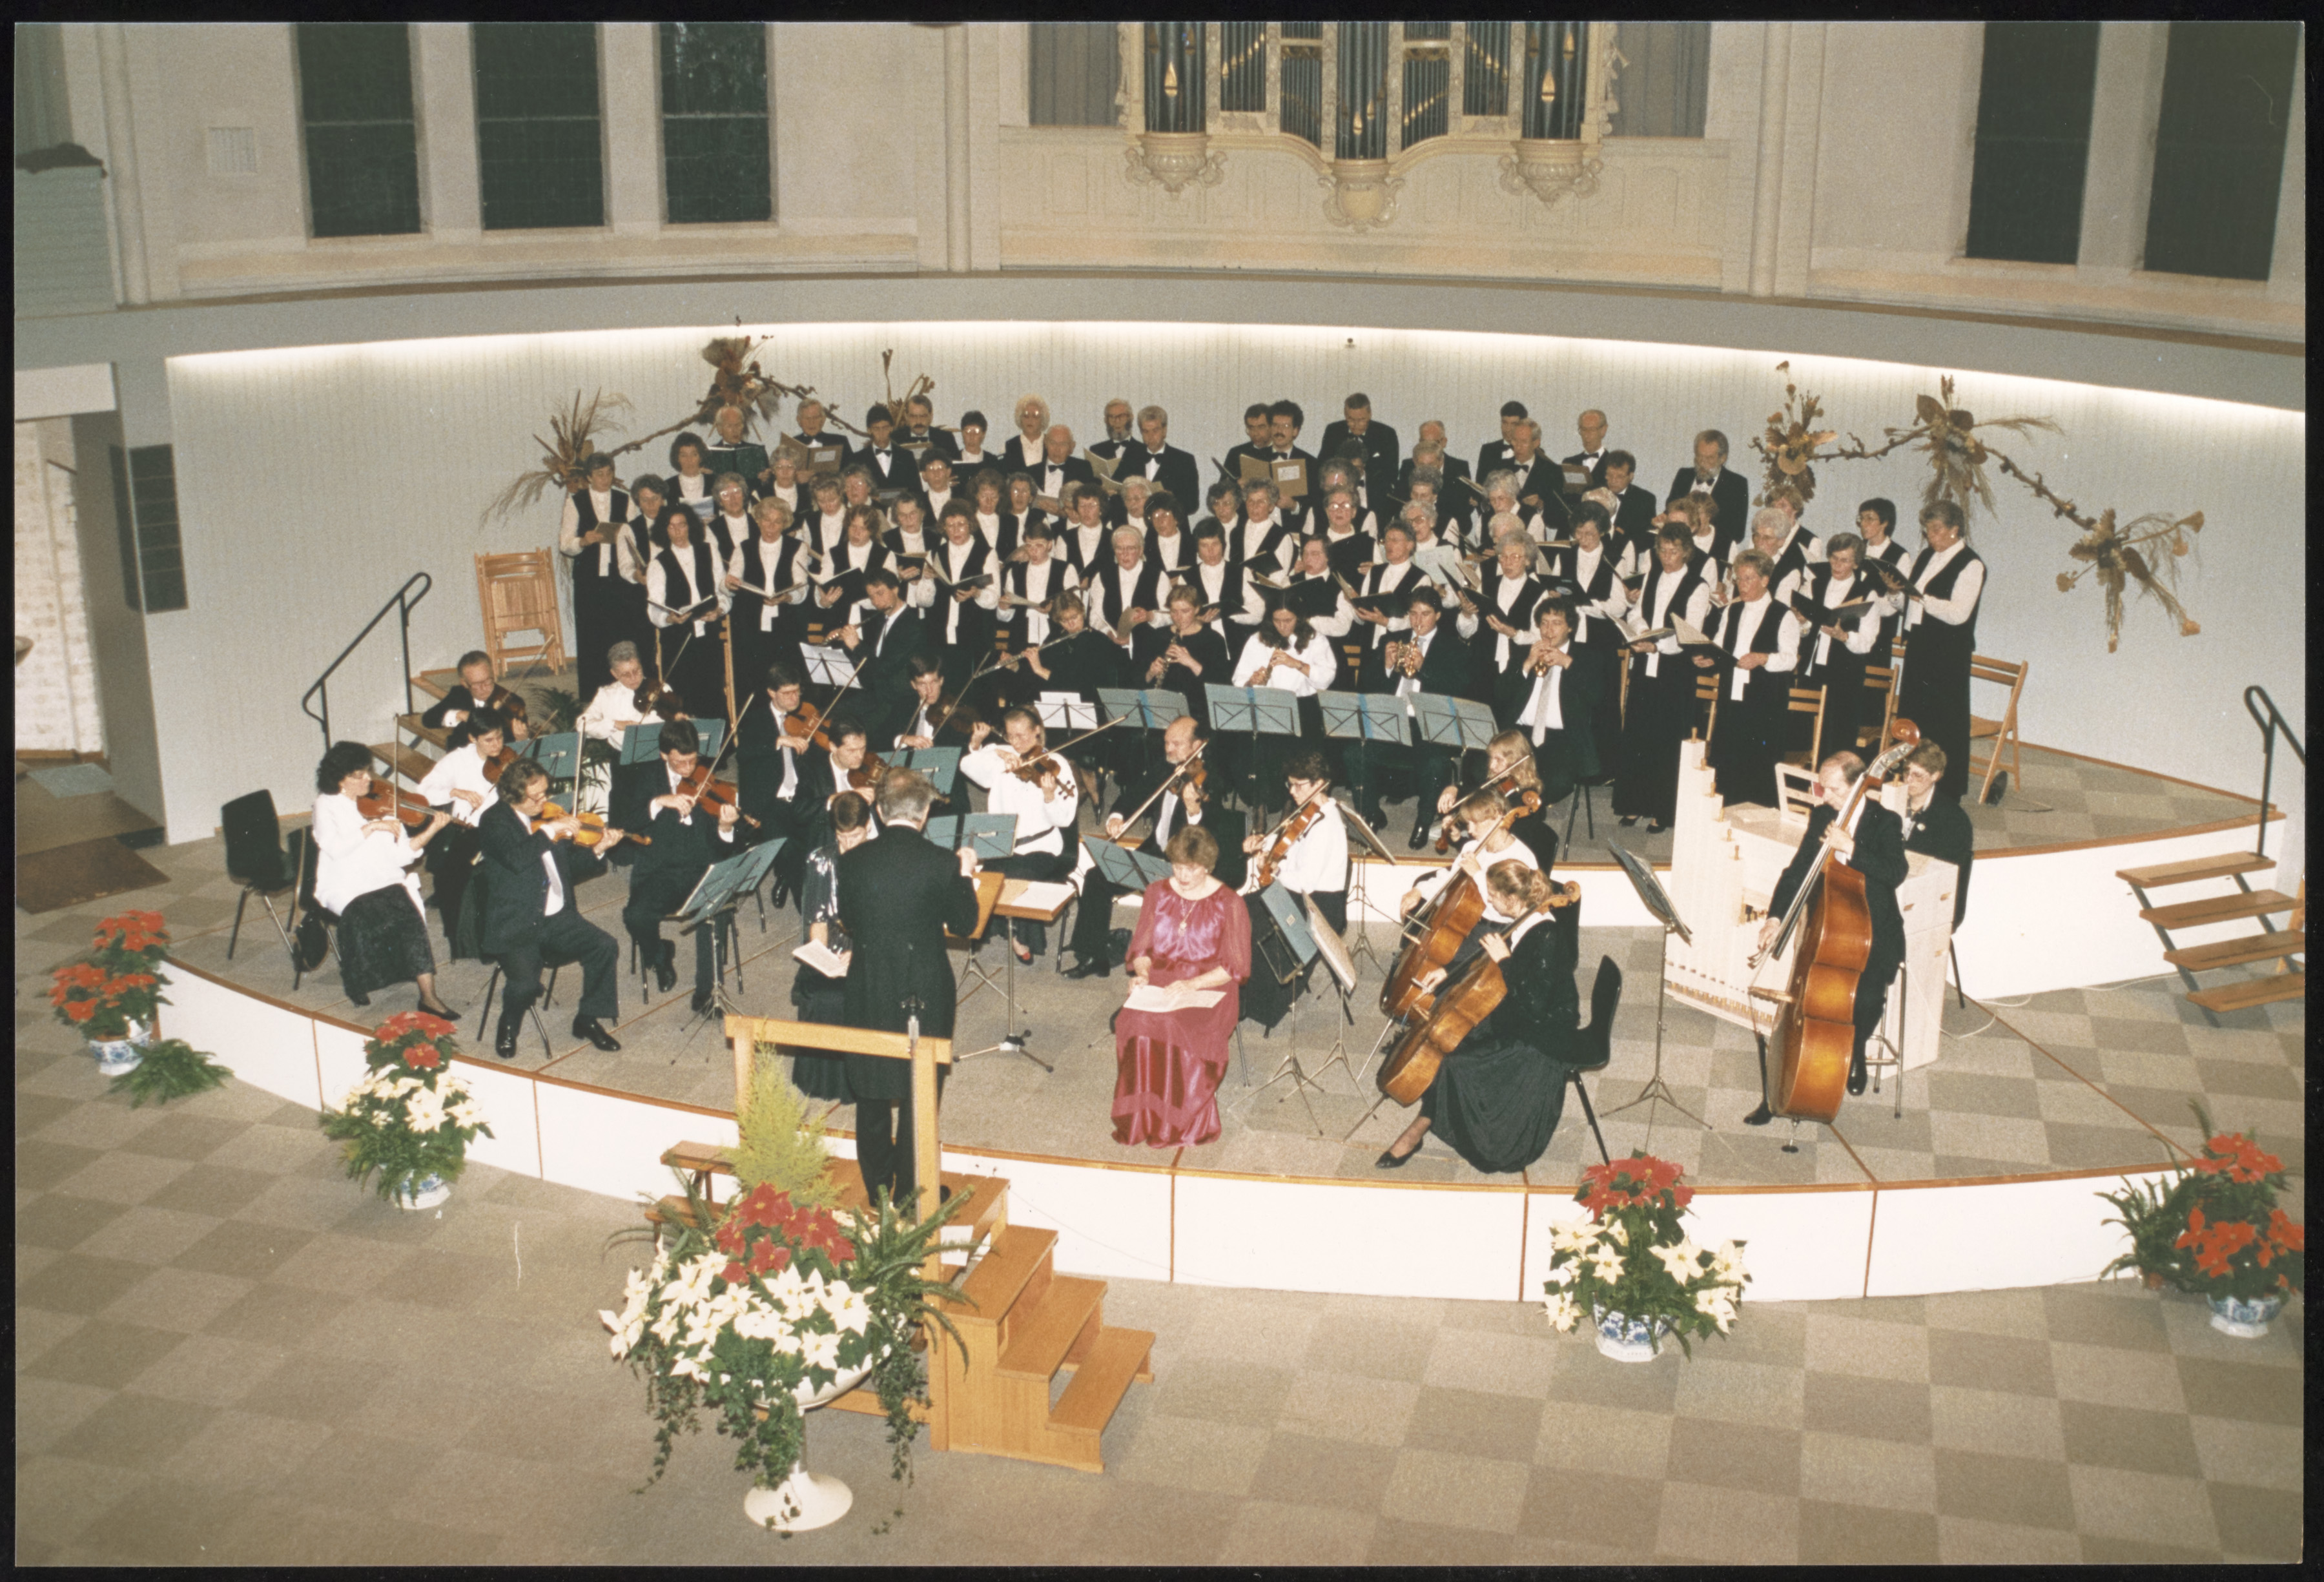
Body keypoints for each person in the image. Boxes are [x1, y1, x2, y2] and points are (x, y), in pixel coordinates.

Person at [1376, 862, 1583, 1173]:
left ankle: (1426, 1123)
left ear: (1511, 898)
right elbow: (1484, 959)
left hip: (1541, 1036)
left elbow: (1535, 1004)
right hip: (1518, 1009)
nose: (1489, 901)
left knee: (1456, 1059)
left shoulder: (1546, 935)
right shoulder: (1522, 918)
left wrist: (1505, 961)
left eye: (1493, 896)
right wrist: (1448, 972)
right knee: (1450, 1035)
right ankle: (1429, 1116)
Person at [838, 768, 983, 1207]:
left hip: (869, 983)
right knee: (920, 1091)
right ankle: (911, 1192)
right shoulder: (941, 863)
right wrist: (964, 874)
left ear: (880, 813)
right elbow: (965, 924)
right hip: (924, 988)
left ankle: (879, 1190)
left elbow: (850, 920)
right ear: (924, 814)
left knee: (871, 1090)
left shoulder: (852, 861)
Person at [1753, 750, 1908, 1111]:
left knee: (1866, 996)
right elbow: (1798, 871)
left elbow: (1895, 872)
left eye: (1835, 790)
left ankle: (1855, 1049)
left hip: (1875, 930)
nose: (1826, 797)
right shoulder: (1823, 815)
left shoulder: (1885, 822)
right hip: (1831, 924)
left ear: (1858, 787)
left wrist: (1850, 847)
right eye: (1823, 788)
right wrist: (1775, 918)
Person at [1067, 715, 1246, 976]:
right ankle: (1093, 955)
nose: (1168, 749)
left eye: (1176, 744)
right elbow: (1136, 792)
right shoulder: (1166, 767)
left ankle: (1161, 965)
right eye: (1166, 742)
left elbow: (1204, 841)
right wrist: (1117, 816)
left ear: (1197, 745)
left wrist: (1194, 811)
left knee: (1162, 900)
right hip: (1155, 852)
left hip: (1184, 864)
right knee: (1098, 876)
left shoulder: (1212, 780)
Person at [1110, 825, 1253, 1148]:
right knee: (1135, 1020)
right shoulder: (1157, 893)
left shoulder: (1229, 903)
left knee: (1175, 1025)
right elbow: (1142, 950)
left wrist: (1191, 984)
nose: (1183, 876)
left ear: (1207, 866)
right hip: (1161, 977)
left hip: (1210, 986)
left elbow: (1235, 968)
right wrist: (1143, 975)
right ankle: (1142, 1117)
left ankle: (1177, 1121)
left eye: (1191, 869)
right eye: (1177, 867)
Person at [477, 758, 627, 1058]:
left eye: (546, 793)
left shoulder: (546, 817)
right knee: (525, 984)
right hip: (517, 921)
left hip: (556, 917)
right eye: (537, 797)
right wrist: (548, 832)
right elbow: (517, 859)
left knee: (604, 946)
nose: (545, 801)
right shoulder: (494, 821)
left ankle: (587, 1019)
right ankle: (508, 1024)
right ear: (513, 795)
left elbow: (568, 868)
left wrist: (598, 849)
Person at [311, 742, 458, 1015]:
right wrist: (372, 827)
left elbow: (402, 855)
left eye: (368, 771)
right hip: (345, 884)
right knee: (369, 912)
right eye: (359, 775)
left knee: (409, 915)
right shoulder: (326, 805)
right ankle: (359, 979)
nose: (368, 778)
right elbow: (335, 848)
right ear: (340, 779)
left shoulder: (383, 802)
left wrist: (431, 831)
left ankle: (428, 997)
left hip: (383, 877)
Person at [608, 718, 743, 1016]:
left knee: (716, 912)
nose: (688, 768)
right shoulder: (644, 778)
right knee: (635, 916)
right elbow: (624, 825)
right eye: (680, 762)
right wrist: (658, 802)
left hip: (701, 868)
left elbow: (724, 847)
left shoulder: (706, 778)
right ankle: (659, 953)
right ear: (663, 755)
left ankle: (706, 994)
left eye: (693, 760)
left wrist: (725, 827)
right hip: (659, 872)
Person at [1350, 582, 1470, 845]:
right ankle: (1371, 814)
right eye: (1413, 613)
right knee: (1355, 752)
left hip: (1428, 724)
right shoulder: (1390, 640)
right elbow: (1366, 686)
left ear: (1438, 615)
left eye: (1425, 614)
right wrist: (1385, 666)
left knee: (1436, 762)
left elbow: (1458, 690)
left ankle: (1424, 820)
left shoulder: (1453, 647)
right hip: (1392, 719)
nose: (1418, 621)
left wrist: (1424, 668)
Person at [1614, 523, 1715, 832]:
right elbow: (1636, 613)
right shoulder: (1651, 576)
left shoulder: (1698, 586)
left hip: (1676, 671)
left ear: (1686, 553)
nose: (1667, 558)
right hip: (1646, 665)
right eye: (1663, 551)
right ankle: (1635, 803)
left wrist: (1657, 645)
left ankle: (1662, 810)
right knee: (1639, 735)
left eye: (1674, 552)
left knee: (1667, 742)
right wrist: (1642, 629)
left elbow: (1690, 631)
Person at [1239, 749, 1350, 1031]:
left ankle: (1258, 1003)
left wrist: (1275, 871)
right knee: (1238, 909)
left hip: (1319, 904)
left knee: (1250, 920)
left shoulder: (1327, 825)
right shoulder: (1309, 810)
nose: (1292, 791)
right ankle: (1241, 989)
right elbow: (1286, 838)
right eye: (1290, 784)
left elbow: (1306, 882)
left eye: (1299, 785)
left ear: (1320, 784)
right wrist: (1261, 842)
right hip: (1297, 892)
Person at [960, 706, 1082, 960]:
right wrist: (977, 744)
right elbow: (968, 767)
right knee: (985, 878)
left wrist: (1049, 796)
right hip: (1004, 842)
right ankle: (1006, 928)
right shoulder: (1001, 755)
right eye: (1011, 736)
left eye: (1022, 735)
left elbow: (1065, 818)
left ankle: (1018, 934)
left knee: (1016, 876)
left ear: (1037, 731)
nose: (1016, 742)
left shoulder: (1055, 764)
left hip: (1041, 846)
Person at [1890, 500, 1986, 801]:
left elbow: (1959, 614)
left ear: (1955, 529)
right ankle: (1910, 782)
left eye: (1936, 529)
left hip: (1947, 655)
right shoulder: (1926, 556)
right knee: (1914, 717)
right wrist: (1896, 592)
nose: (1930, 536)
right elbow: (1909, 606)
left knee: (1942, 721)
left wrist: (1922, 598)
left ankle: (1943, 791)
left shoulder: (1971, 564)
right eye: (1927, 530)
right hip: (1920, 648)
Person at [1698, 547, 1802, 809]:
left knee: (1757, 762)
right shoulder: (1731, 611)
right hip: (1731, 695)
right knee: (1727, 756)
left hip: (1765, 700)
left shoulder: (1783, 614)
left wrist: (1764, 658)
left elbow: (1791, 659)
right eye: (1738, 579)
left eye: (1748, 579)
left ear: (1765, 580)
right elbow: (1721, 646)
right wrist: (1711, 658)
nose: (1741, 585)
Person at [788, 789, 873, 1102]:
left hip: (869, 946)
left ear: (868, 827)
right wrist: (822, 957)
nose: (848, 845)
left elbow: (886, 923)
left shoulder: (879, 859)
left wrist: (860, 951)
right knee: (822, 992)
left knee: (850, 994)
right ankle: (819, 1081)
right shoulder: (821, 860)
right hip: (832, 949)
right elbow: (817, 918)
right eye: (841, 837)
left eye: (855, 836)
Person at [735, 663, 833, 905]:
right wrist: (778, 741)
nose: (795, 698)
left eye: (797, 691)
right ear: (772, 692)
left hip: (803, 795)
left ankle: (787, 875)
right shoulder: (756, 719)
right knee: (790, 850)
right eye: (787, 693)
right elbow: (744, 753)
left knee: (822, 839)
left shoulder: (805, 714)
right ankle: (809, 911)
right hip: (773, 800)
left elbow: (820, 757)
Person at [415, 705, 509, 954]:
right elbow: (423, 791)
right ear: (472, 738)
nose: (497, 745)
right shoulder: (457, 760)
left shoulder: (509, 757)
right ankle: (467, 940)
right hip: (471, 830)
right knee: (453, 874)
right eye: (489, 740)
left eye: (500, 737)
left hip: (503, 828)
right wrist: (455, 792)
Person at [1789, 531, 1887, 761]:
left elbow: (1868, 641)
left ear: (1856, 563)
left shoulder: (1867, 593)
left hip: (1846, 673)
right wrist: (1802, 622)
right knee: (1803, 734)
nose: (1837, 565)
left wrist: (1844, 637)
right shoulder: (1815, 584)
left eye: (1844, 560)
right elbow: (1804, 630)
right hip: (1813, 668)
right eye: (1834, 558)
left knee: (1837, 736)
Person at [1230, 602, 1337, 809]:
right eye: (1277, 621)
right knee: (1251, 747)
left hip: (1303, 705)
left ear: (1299, 618)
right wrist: (1253, 681)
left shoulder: (1315, 639)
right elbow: (1239, 679)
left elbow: (1326, 678)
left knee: (1296, 749)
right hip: (1266, 703)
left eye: (1288, 620)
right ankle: (1262, 805)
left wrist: (1296, 663)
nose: (1282, 626)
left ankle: (1291, 803)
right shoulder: (1257, 639)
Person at [1500, 599, 1599, 809]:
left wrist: (1567, 663)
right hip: (1520, 735)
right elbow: (1501, 694)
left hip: (1562, 738)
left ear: (1570, 627)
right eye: (1544, 623)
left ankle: (1520, 813)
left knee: (1555, 780)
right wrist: (1527, 664)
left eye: (1557, 623)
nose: (1548, 630)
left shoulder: (1585, 656)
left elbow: (1597, 696)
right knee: (1483, 770)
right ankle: (1519, 811)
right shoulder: (1525, 652)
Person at [560, 455, 644, 695]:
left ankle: (627, 689)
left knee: (621, 633)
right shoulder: (576, 501)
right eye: (599, 474)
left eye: (609, 473)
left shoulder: (625, 500)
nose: (605, 479)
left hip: (620, 579)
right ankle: (593, 693)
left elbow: (636, 537)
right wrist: (583, 541)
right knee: (592, 635)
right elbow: (565, 544)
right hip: (589, 579)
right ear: (589, 477)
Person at [645, 505, 732, 724]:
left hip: (708, 636)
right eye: (671, 527)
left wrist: (719, 610)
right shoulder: (658, 563)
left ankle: (718, 744)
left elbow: (722, 591)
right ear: (665, 530)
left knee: (713, 693)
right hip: (678, 639)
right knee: (683, 697)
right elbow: (654, 609)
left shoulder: (709, 551)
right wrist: (670, 618)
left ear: (690, 526)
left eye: (682, 525)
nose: (678, 531)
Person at [1435, 729, 1557, 871]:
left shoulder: (1526, 803)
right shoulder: (1498, 784)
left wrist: (1459, 841)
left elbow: (1492, 854)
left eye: (1498, 760)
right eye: (1491, 759)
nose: (1492, 766)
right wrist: (1453, 789)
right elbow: (1473, 792)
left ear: (1516, 761)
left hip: (1503, 871)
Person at [726, 495, 811, 692]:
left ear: (785, 524)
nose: (771, 527)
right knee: (755, 678)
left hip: (786, 624)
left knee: (786, 678)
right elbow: (731, 579)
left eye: (777, 522)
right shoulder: (744, 547)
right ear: (758, 521)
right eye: (766, 520)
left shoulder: (797, 547)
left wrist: (787, 597)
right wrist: (730, 584)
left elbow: (801, 587)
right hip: (751, 624)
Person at [1895, 739, 1975, 931]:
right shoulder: (1894, 800)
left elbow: (1941, 873)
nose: (1909, 780)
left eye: (1918, 775)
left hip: (1927, 897)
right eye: (1906, 772)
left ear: (1935, 776)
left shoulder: (1953, 819)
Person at [1135, 583, 1230, 728]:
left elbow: (1222, 685)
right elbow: (1139, 681)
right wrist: (1151, 673)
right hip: (1162, 710)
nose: (1179, 618)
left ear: (1197, 609)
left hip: (1200, 713)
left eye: (1185, 611)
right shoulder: (1157, 636)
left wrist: (1191, 663)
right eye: (1174, 612)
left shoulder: (1213, 639)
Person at [1665, 429, 1751, 558]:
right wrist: (1664, 518)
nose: (1702, 463)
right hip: (1676, 549)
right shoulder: (1684, 475)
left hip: (1713, 552)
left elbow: (1737, 532)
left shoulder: (1736, 483)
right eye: (1699, 456)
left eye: (1709, 458)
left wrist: (1703, 532)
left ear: (1723, 458)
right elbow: (1670, 508)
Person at [422, 650, 531, 743]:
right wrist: (459, 715)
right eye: (477, 685)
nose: (484, 688)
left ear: (492, 674)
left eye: (488, 681)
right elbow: (428, 719)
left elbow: (513, 746)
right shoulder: (459, 694)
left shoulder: (512, 702)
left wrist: (522, 739)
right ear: (464, 683)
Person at [1116, 403, 1202, 507]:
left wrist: (1171, 499)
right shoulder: (1131, 456)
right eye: (1146, 431)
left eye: (1155, 431)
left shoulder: (1184, 460)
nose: (1150, 436)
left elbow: (1193, 504)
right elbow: (1117, 486)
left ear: (1164, 431)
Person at [703, 404, 770, 497]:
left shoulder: (756, 452)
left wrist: (765, 480)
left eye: (738, 425)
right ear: (719, 429)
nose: (735, 430)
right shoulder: (709, 454)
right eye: (729, 426)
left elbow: (767, 488)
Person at [791, 399, 853, 472]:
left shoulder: (840, 442)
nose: (812, 422)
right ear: (799, 420)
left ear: (823, 419)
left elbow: (851, 472)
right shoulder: (791, 445)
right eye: (807, 418)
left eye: (815, 418)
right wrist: (796, 477)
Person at [1002, 394, 1052, 472]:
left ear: (1043, 419)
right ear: (1020, 418)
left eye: (1035, 416)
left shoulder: (1051, 444)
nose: (1030, 420)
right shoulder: (1009, 445)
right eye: (1026, 416)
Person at [1566, 408, 1611, 489]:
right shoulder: (1569, 463)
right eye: (1584, 430)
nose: (1587, 435)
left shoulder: (1613, 464)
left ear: (1603, 430)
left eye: (1592, 430)